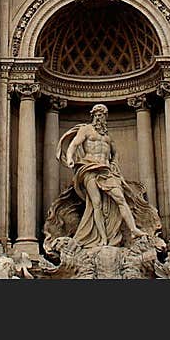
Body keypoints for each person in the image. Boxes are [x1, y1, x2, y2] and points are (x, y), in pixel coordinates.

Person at [55, 104, 156, 248]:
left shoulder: (107, 137)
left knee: (120, 198)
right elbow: (74, 144)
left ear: (105, 117)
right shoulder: (86, 130)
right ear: (92, 116)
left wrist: (114, 164)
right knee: (96, 204)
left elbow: (114, 153)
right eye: (96, 114)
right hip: (89, 168)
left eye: (101, 115)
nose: (98, 117)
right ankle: (102, 238)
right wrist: (70, 158)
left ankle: (133, 229)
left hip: (106, 171)